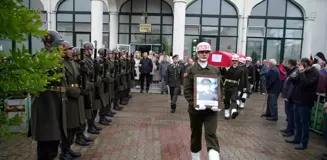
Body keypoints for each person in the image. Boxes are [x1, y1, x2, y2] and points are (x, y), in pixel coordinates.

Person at [29, 30, 68, 160]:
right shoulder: (41, 58)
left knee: (53, 143)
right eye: (58, 45)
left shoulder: (54, 58)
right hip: (46, 108)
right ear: (50, 42)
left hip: (54, 106)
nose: (61, 49)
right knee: (46, 144)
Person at [183, 42, 220, 160]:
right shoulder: (191, 69)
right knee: (196, 134)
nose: (204, 54)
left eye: (206, 52)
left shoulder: (215, 70)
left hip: (211, 110)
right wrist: (194, 103)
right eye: (201, 52)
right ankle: (195, 157)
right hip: (196, 110)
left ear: (209, 54)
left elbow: (219, 88)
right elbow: (187, 90)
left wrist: (218, 103)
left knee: (211, 134)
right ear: (197, 53)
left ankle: (214, 157)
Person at [285, 58, 319, 150]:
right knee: (297, 122)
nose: (298, 66)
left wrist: (302, 72)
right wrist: (293, 77)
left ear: (305, 65)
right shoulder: (301, 72)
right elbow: (296, 83)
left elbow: (306, 84)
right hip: (297, 100)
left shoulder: (314, 73)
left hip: (305, 102)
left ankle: (304, 143)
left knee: (304, 123)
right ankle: (297, 138)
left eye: (300, 64)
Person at [59, 41, 83, 159]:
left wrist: (77, 87)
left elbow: (75, 82)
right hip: (69, 99)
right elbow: (64, 85)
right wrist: (75, 89)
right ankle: (64, 152)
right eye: (68, 49)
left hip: (75, 98)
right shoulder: (61, 64)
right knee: (68, 128)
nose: (71, 51)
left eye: (71, 49)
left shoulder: (72, 63)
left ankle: (68, 149)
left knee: (74, 127)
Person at [223, 54, 244, 119]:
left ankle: (233, 111)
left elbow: (242, 81)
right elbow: (224, 77)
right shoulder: (228, 68)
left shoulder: (241, 70)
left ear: (238, 62)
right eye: (233, 61)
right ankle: (226, 112)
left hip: (235, 86)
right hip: (227, 86)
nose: (234, 62)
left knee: (234, 99)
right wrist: (225, 69)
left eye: (236, 61)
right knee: (226, 99)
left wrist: (240, 90)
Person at [280, 59, 298, 137]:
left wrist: (288, 96)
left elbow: (292, 85)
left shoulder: (295, 72)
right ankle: (288, 128)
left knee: (290, 114)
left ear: (290, 64)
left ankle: (291, 130)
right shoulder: (291, 71)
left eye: (288, 64)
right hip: (287, 95)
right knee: (288, 113)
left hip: (290, 97)